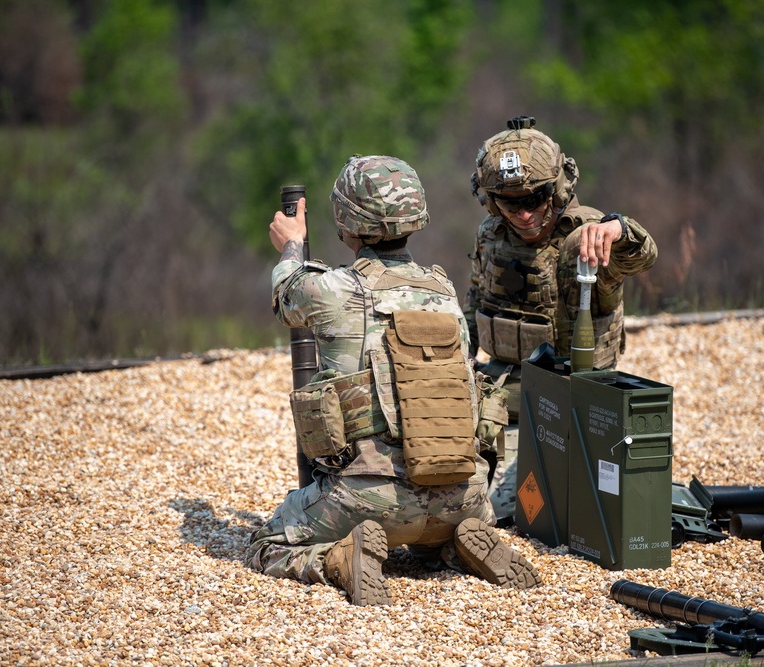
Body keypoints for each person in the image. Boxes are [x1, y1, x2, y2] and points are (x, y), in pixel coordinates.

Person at [248, 154, 541, 606]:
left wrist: (293, 244)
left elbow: (286, 292)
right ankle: (451, 545)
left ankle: (338, 559)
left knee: (266, 545)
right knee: (428, 534)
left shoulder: (335, 290)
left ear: (347, 221)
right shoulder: (443, 292)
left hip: (370, 497)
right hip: (464, 494)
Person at [465, 117, 659, 524]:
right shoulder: (490, 234)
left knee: (503, 510)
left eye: (535, 199)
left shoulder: (585, 237)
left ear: (557, 189)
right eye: (509, 202)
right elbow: (474, 305)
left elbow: (642, 255)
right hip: (499, 390)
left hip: (564, 398)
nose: (523, 214)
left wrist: (618, 229)